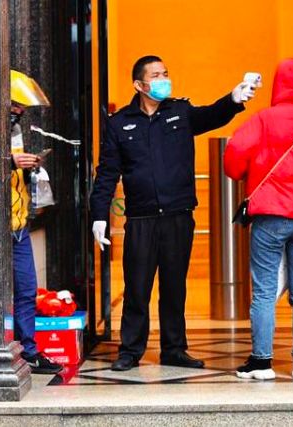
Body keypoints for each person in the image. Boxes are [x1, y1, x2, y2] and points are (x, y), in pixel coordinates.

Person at [90, 55, 257, 371]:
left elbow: (211, 115)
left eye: (165, 73)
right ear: (139, 85)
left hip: (178, 215)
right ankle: (130, 350)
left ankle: (174, 349)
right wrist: (99, 215)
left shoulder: (180, 112)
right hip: (140, 218)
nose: (163, 79)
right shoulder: (119, 123)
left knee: (174, 287)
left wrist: (234, 99)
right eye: (156, 75)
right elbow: (108, 172)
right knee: (137, 287)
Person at [224, 58, 293, 380]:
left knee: (264, 291)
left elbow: (233, 161)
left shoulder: (263, 120)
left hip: (270, 216)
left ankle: (262, 363)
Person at [10, 70, 63, 374]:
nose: (19, 110)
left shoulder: (16, 129)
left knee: (27, 289)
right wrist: (10, 161)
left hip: (17, 222)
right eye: (15, 104)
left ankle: (28, 351)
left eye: (22, 106)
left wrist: (28, 166)